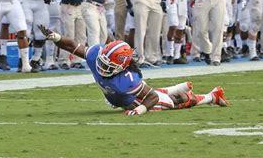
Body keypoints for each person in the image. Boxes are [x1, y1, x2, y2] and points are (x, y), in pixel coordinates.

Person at [38, 25, 228, 115]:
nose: (102, 67)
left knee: (178, 102)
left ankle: (213, 96)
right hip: (120, 97)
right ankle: (178, 87)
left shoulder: (128, 79)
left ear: (121, 66)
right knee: (162, 93)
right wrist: (55, 37)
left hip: (135, 101)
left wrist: (140, 110)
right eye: (103, 62)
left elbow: (151, 97)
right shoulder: (96, 56)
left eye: (108, 65)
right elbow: (72, 46)